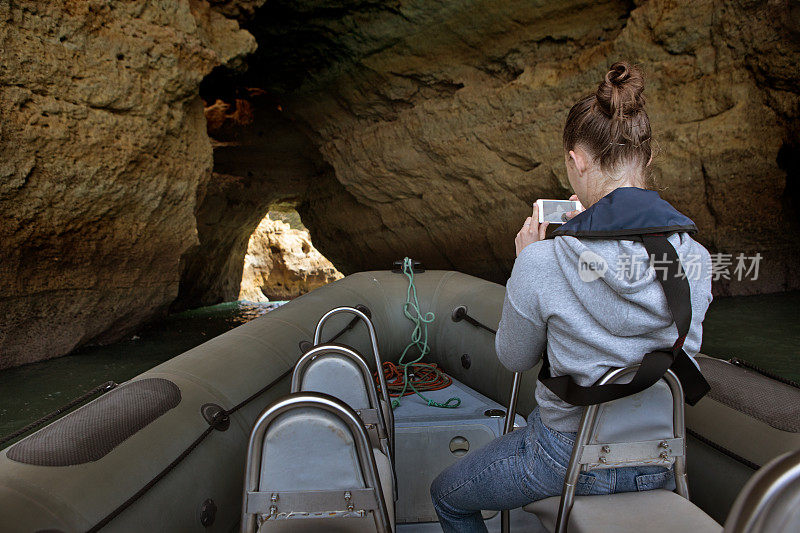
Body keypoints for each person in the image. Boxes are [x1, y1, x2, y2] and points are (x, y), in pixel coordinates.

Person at [429, 61, 713, 532]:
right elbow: (689, 354)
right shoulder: (696, 259)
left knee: (448, 496)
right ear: (647, 158)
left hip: (563, 455)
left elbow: (514, 357)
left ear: (577, 161)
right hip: (660, 456)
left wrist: (527, 263)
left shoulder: (545, 261)